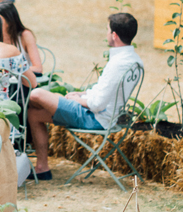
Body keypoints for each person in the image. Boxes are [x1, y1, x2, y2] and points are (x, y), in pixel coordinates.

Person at [27, 13, 143, 181]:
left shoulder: (118, 64)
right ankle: (42, 168)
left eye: (107, 30)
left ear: (114, 35)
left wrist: (76, 100)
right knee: (34, 113)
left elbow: (97, 104)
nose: (106, 33)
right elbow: (105, 92)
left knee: (36, 94)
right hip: (103, 114)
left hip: (95, 118)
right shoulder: (133, 60)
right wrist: (82, 94)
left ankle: (23, 148)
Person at [0, 2, 42, 75]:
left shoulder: (25, 35)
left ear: (9, 21)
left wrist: (11, 70)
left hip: (23, 81)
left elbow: (38, 68)